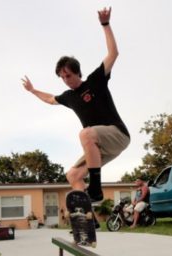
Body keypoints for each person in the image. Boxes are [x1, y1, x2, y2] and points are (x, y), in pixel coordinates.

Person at [22, 7, 130, 203]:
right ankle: (88, 217)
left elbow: (113, 53)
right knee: (73, 176)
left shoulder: (95, 80)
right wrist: (33, 90)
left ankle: (96, 189)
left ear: (77, 73)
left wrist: (105, 24)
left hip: (118, 135)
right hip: (99, 149)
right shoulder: (69, 97)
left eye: (68, 75)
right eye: (62, 77)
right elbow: (50, 99)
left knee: (86, 133)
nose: (65, 80)